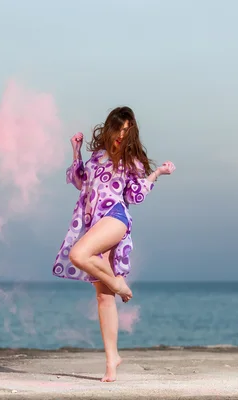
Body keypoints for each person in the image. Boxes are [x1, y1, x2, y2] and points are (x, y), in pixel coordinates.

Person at [52, 106, 175, 382]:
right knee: (104, 296)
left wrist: (156, 175)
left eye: (126, 130)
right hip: (94, 222)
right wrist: (75, 150)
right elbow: (78, 180)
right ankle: (112, 361)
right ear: (110, 128)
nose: (121, 135)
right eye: (118, 128)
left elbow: (136, 194)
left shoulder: (131, 160)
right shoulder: (96, 157)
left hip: (115, 217)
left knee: (78, 254)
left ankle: (120, 284)